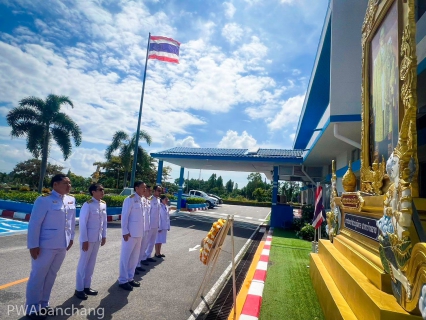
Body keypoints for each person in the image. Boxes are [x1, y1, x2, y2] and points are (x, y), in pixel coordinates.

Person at [25, 174, 76, 320]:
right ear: (55, 184)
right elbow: (35, 223)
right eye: (65, 183)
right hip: (45, 245)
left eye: (70, 183)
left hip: (62, 244)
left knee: (51, 275)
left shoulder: (70, 200)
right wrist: (33, 245)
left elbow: (71, 221)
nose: (69, 186)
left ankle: (44, 304)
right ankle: (32, 309)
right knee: (38, 276)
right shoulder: (44, 200)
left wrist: (71, 237)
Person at [74, 183, 107, 300]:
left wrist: (104, 236)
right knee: (83, 264)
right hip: (88, 239)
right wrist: (84, 240)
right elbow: (83, 223)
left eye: (103, 190)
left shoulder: (103, 204)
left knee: (91, 264)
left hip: (97, 238)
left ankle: (87, 286)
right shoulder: (87, 205)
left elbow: (104, 221)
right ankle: (79, 289)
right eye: (100, 190)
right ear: (93, 192)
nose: (103, 192)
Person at [118, 181, 145, 291]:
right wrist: (125, 231)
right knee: (126, 257)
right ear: (137, 188)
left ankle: (130, 277)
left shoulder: (142, 200)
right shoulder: (130, 199)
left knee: (134, 257)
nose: (145, 189)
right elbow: (125, 216)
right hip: (130, 233)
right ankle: (122, 280)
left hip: (139, 233)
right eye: (143, 187)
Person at [139, 185, 161, 265]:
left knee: (152, 242)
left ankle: (148, 256)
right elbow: (148, 213)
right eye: (158, 190)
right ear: (154, 191)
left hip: (155, 224)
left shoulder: (158, 200)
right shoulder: (150, 200)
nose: (159, 192)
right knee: (146, 242)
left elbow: (158, 214)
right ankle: (143, 257)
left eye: (160, 191)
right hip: (150, 224)